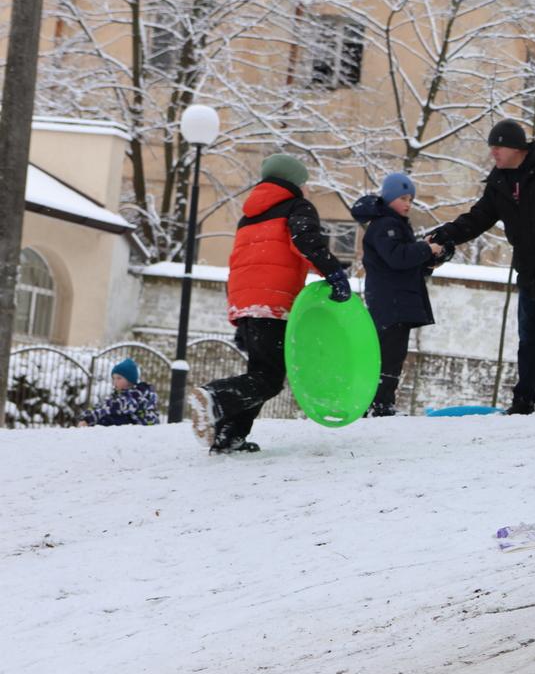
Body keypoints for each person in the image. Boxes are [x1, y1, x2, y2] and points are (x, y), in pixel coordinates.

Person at [428, 119, 535, 415]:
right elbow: (478, 218)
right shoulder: (500, 182)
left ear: (516, 147)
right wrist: (447, 233)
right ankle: (523, 400)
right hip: (529, 269)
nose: (493, 152)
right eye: (491, 147)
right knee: (527, 338)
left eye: (498, 146)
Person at [187, 153, 351, 453]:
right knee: (270, 379)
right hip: (274, 303)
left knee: (259, 373)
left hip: (246, 302)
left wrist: (240, 316)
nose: (308, 189)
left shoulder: (248, 216)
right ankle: (215, 397)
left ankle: (229, 436)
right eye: (304, 183)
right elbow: (306, 243)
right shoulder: (297, 207)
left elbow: (239, 263)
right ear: (294, 182)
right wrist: (335, 273)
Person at [351, 173, 448, 416]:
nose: (407, 203)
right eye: (403, 198)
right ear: (390, 197)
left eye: (411, 199)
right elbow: (397, 257)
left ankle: (380, 403)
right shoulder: (386, 225)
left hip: (395, 300)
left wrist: (428, 260)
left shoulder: (393, 224)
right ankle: (378, 405)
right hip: (390, 302)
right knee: (388, 355)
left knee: (392, 355)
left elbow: (403, 262)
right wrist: (425, 248)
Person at [77, 358, 159, 427]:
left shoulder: (137, 395)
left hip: (143, 426)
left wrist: (89, 419)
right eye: (113, 378)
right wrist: (86, 415)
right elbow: (103, 405)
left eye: (119, 378)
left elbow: (115, 407)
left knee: (108, 419)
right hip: (130, 425)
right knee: (105, 418)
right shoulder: (118, 394)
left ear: (130, 380)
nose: (115, 381)